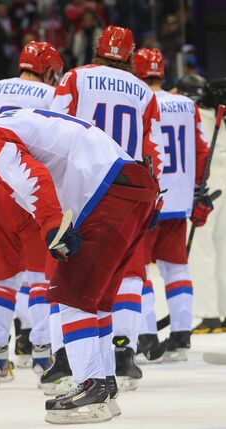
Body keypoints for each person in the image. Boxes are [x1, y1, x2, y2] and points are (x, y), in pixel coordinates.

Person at [0, 105, 159, 424]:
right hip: (136, 186)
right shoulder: (22, 117)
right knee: (98, 301)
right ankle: (104, 384)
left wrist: (52, 226)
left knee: (70, 297)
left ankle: (89, 388)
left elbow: (31, 177)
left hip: (106, 194)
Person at [50, 25, 163, 390]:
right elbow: (151, 154)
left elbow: (55, 130)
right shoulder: (144, 91)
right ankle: (123, 353)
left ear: (97, 49)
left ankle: (66, 359)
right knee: (126, 275)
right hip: (129, 190)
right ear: (130, 56)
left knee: (69, 279)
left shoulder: (75, 78)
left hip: (84, 189)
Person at [0, 41, 64, 382]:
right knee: (41, 280)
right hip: (29, 190)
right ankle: (42, 355)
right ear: (48, 70)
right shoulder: (49, 94)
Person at [133, 49, 210, 362]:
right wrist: (198, 191)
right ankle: (181, 335)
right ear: (162, 73)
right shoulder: (186, 105)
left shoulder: (136, 101)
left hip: (148, 199)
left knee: (138, 270)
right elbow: (201, 152)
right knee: (176, 268)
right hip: (178, 200)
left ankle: (147, 335)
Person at [181, 75, 226, 333]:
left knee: (202, 247)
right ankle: (223, 310)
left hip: (206, 182)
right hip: (225, 178)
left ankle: (209, 314)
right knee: (223, 246)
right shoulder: (217, 114)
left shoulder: (191, 114)